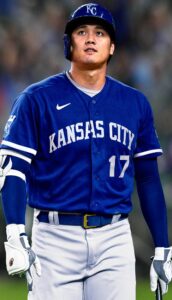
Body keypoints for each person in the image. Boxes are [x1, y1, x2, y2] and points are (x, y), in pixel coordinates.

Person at [0, 3, 172, 300]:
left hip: (114, 237)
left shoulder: (134, 103)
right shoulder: (36, 99)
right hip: (54, 238)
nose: (91, 38)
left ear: (113, 46)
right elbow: (13, 166)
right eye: (82, 31)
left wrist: (163, 246)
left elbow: (147, 179)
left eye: (100, 32)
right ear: (69, 44)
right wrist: (15, 232)